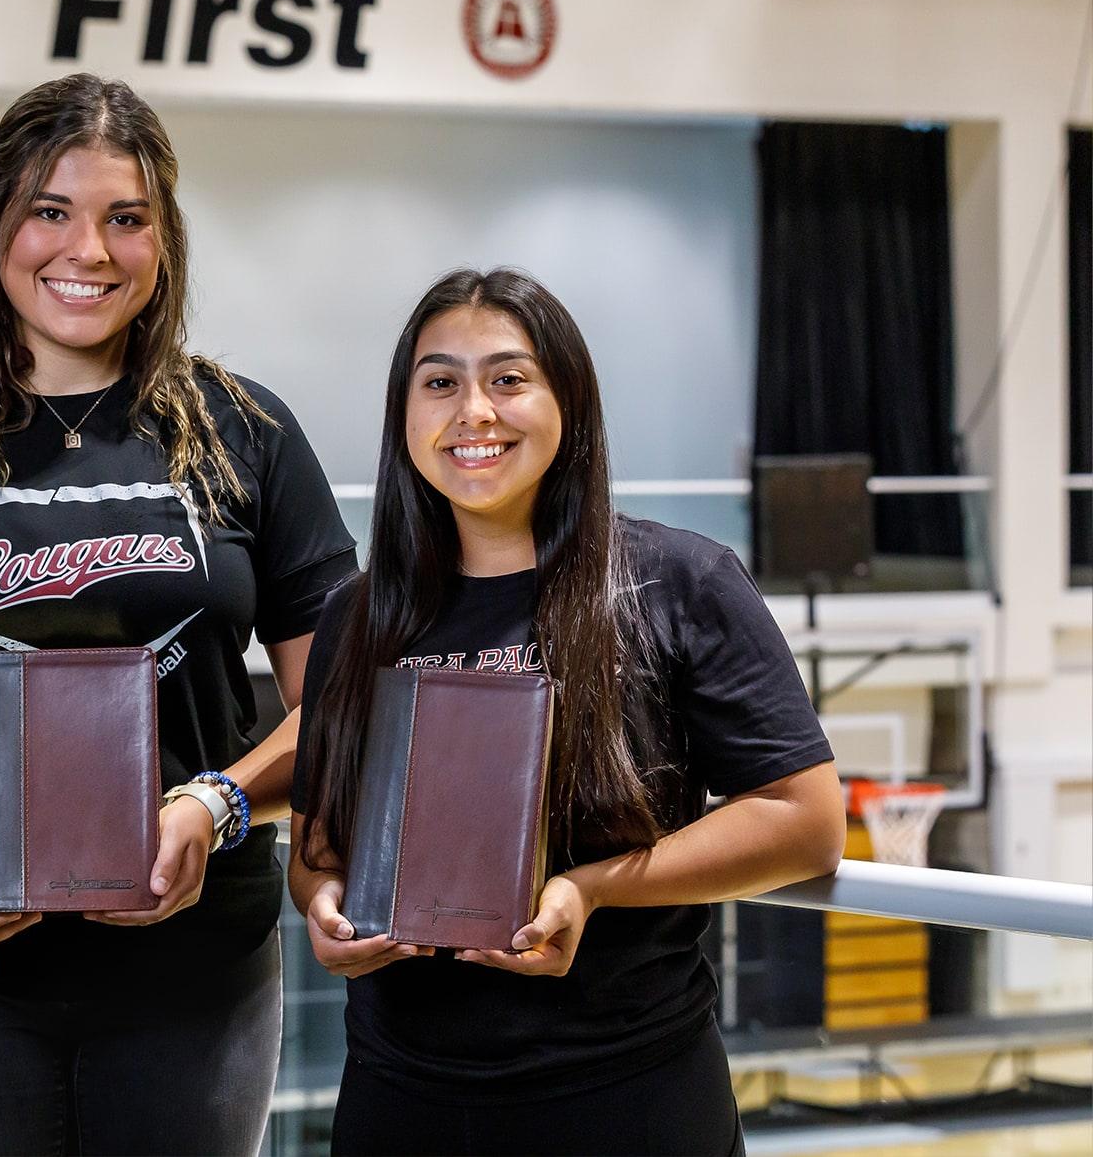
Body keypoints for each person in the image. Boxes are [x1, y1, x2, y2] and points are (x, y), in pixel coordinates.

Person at [0, 73, 357, 1155]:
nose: (85, 251)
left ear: (162, 239)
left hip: (196, 978)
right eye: (50, 211)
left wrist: (215, 808)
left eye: (123, 218)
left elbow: (341, 697)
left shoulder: (244, 431)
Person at [290, 266, 845, 1156]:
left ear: (568, 404)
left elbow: (806, 820)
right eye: (440, 382)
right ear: (406, 418)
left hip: (627, 1094)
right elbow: (320, 842)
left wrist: (589, 888)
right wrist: (322, 905)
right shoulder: (358, 617)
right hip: (399, 1098)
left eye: (508, 378)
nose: (473, 410)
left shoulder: (680, 582)